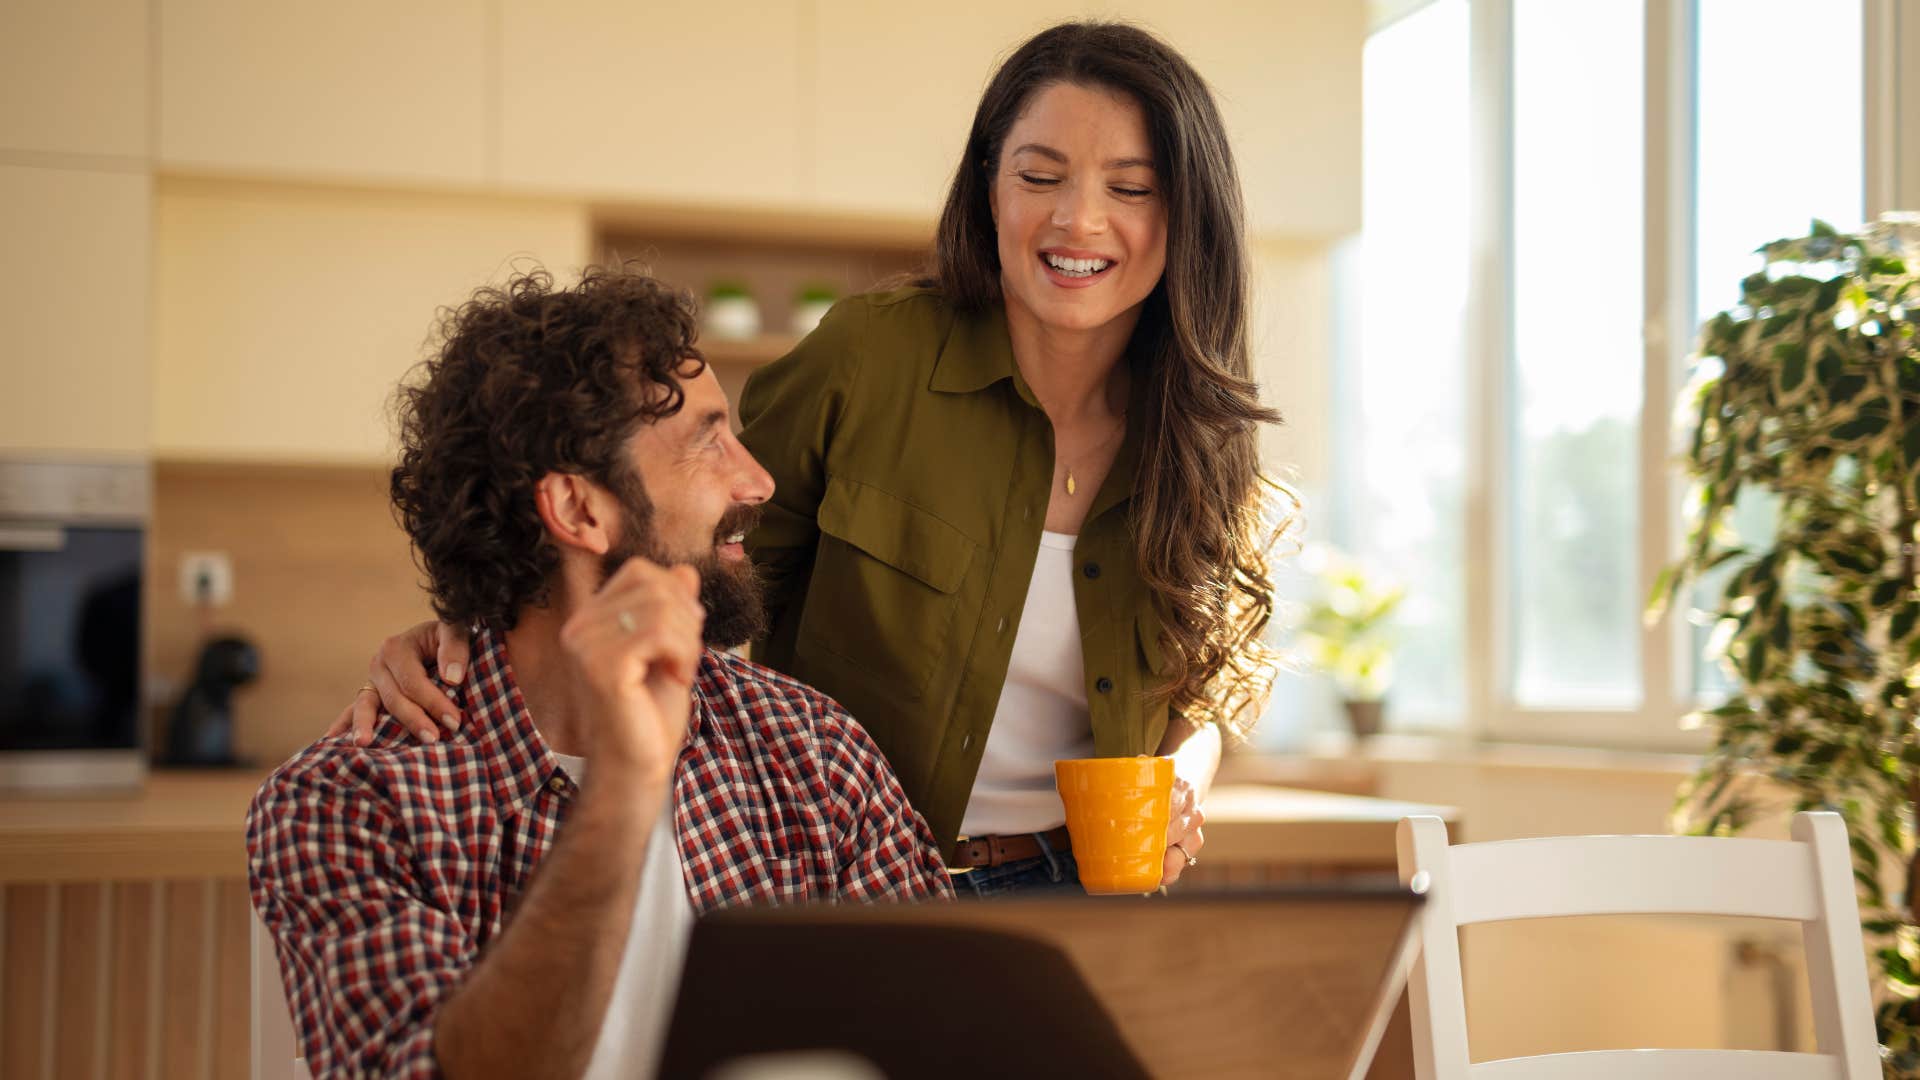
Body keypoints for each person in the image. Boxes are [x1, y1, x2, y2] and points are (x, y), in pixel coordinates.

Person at [338, 20, 1293, 898]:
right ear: (988, 185)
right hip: (848, 877)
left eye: (1129, 188)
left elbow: (1212, 677)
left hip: (1089, 889)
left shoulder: (1198, 426)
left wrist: (1178, 787)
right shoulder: (869, 356)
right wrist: (466, 640)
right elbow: (688, 554)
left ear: (1184, 214)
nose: (1078, 222)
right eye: (1039, 176)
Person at [251, 267, 949, 1079]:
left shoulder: (814, 754)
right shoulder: (351, 804)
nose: (757, 481)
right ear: (579, 511)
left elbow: (942, 1037)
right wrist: (624, 787)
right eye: (707, 440)